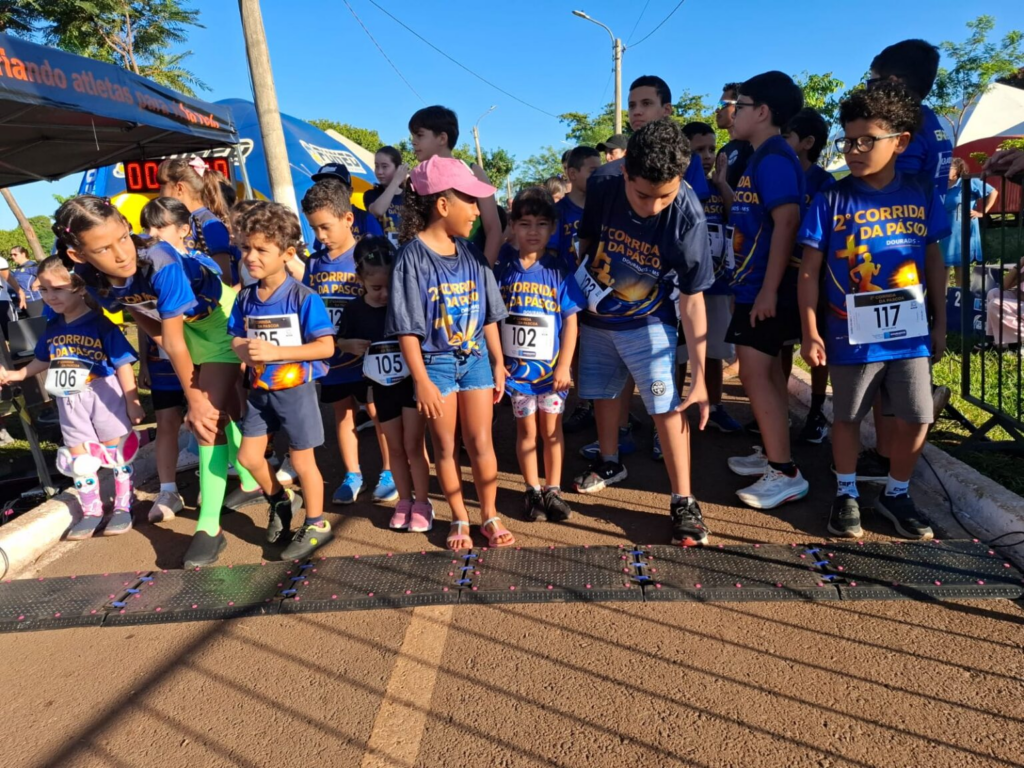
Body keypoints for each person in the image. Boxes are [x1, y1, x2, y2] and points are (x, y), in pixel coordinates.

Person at [55, 195, 250, 568]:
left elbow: (174, 341)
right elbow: (139, 314)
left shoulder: (160, 259)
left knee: (205, 417)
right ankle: (252, 479)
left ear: (127, 227)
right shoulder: (91, 279)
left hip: (219, 321)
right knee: (216, 412)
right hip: (183, 331)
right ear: (79, 255)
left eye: (122, 238)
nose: (121, 255)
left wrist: (195, 398)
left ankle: (209, 526)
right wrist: (187, 378)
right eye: (103, 249)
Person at [798, 82, 949, 540]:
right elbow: (809, 271)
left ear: (900, 142)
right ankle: (845, 492)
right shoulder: (832, 198)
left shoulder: (922, 193)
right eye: (848, 141)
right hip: (850, 333)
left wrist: (941, 323)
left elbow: (934, 260)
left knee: (918, 416)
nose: (854, 151)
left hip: (911, 333)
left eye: (867, 141)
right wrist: (810, 329)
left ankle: (897, 493)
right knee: (846, 416)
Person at [572, 119, 714, 546]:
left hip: (651, 317)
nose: (653, 207)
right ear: (624, 173)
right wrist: (583, 297)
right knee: (603, 392)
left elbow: (693, 299)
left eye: (665, 196)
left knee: (665, 405)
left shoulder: (689, 216)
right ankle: (609, 460)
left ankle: (684, 500)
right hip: (600, 310)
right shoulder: (602, 184)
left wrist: (700, 375)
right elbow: (587, 240)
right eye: (642, 195)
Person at [385, 155, 514, 550]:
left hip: (476, 361)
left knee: (481, 441)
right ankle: (459, 517)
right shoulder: (411, 257)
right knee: (445, 446)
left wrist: (498, 361)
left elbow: (489, 314)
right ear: (443, 204)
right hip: (435, 366)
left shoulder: (472, 255)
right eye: (470, 201)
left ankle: (489, 514)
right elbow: (407, 328)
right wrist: (421, 381)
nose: (476, 211)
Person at [0, 256, 143, 539]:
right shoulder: (52, 327)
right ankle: (91, 510)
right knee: (80, 459)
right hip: (68, 400)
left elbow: (123, 363)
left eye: (58, 289)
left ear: (79, 288)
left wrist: (132, 401)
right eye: (44, 290)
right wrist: (17, 374)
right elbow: (43, 359)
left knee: (116, 454)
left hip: (104, 395)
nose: (49, 296)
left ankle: (123, 505)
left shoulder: (100, 324)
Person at [229, 202, 336, 560]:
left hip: (296, 390)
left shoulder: (303, 297)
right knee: (248, 457)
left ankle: (317, 523)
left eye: (261, 250)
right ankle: (279, 498)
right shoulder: (246, 297)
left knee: (303, 462)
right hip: (260, 391)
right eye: (246, 248)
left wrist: (277, 353)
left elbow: (326, 346)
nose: (250, 257)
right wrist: (244, 350)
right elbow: (236, 336)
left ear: (288, 254)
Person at [723, 71, 809, 510]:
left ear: (762, 112)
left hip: (763, 287)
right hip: (753, 285)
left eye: (739, 105)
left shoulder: (774, 158)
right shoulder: (760, 156)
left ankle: (785, 472)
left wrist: (769, 291)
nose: (731, 113)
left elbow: (787, 221)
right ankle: (775, 453)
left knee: (754, 373)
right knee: (768, 371)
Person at [301, 179, 393, 504]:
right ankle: (353, 474)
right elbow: (310, 309)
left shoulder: (370, 254)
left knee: (379, 411)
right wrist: (338, 344)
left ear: (348, 219)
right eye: (314, 228)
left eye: (325, 227)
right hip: (335, 357)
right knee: (343, 414)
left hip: (371, 356)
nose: (320, 236)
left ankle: (390, 470)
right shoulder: (313, 263)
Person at [496, 187, 585, 522]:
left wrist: (565, 365)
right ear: (513, 227)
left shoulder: (559, 271)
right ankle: (532, 489)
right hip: (518, 375)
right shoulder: (503, 268)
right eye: (525, 224)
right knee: (526, 432)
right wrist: (497, 361)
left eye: (541, 224)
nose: (533, 231)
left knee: (551, 431)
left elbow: (571, 322)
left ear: (553, 228)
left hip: (551, 374)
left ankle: (553, 489)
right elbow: (494, 319)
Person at [137, 196, 222, 523]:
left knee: (209, 418)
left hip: (203, 357)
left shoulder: (203, 265)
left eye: (160, 227)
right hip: (161, 361)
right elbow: (142, 316)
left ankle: (213, 482)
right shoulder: (142, 268)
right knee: (166, 421)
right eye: (147, 228)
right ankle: (168, 491)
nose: (152, 234)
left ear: (184, 229)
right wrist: (145, 362)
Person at [340, 236, 433, 533]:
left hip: (410, 386)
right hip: (381, 389)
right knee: (394, 448)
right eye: (376, 288)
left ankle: (423, 502)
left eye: (390, 287)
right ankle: (404, 501)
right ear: (360, 280)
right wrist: (347, 344)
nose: (384, 294)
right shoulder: (354, 310)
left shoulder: (407, 305)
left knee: (413, 445)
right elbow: (339, 339)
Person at [678, 121, 743, 433]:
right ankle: (673, 411)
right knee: (679, 353)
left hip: (717, 283)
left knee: (714, 349)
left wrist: (722, 183)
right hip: (685, 286)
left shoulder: (719, 187)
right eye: (698, 150)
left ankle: (715, 406)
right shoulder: (679, 187)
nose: (706, 156)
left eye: (711, 149)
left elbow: (737, 217)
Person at [782, 108, 838, 445]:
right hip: (781, 274)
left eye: (786, 136)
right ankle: (778, 410)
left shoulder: (824, 184)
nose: (781, 142)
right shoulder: (780, 176)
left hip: (814, 277)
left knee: (817, 344)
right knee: (782, 346)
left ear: (807, 142)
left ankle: (817, 411)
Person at [408, 105, 502, 265]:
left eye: (419, 135)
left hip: (471, 266)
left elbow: (493, 229)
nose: (413, 142)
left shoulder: (472, 171)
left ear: (442, 138)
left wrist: (485, 271)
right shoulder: (417, 178)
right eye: (413, 136)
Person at [869, 39, 953, 203]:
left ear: (893, 82)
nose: (868, 92)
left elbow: (891, 195)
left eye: (872, 82)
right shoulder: (930, 122)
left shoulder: (904, 128)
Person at [157, 156, 240, 284]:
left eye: (162, 187)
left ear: (179, 188)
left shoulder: (210, 224)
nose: (159, 194)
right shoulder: (181, 219)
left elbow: (224, 277)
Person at [942, 157, 997, 287]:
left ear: (958, 169)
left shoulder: (969, 182)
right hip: (944, 230)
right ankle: (943, 298)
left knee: (960, 265)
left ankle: (960, 296)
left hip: (961, 230)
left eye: (949, 168)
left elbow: (993, 192)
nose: (945, 170)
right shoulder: (940, 185)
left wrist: (982, 212)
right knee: (942, 266)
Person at [554, 146, 601, 271]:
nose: (599, 176)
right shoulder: (557, 212)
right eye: (593, 171)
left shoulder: (605, 209)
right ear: (573, 174)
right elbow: (550, 255)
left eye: (600, 171)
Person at [311, 163, 384, 241]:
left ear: (349, 191)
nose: (327, 192)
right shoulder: (321, 220)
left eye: (335, 187)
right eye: (321, 187)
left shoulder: (365, 219)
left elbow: (380, 246)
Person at [365, 146, 408, 247]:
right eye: (376, 166)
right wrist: (396, 181)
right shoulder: (371, 194)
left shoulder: (409, 196)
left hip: (406, 251)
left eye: (384, 166)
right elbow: (378, 211)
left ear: (398, 168)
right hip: (381, 251)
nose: (379, 172)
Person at [716, 82, 754, 189]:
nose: (717, 110)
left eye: (723, 104)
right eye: (718, 105)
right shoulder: (722, 152)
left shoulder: (753, 145)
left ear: (740, 105)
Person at [0, 249, 27, 338]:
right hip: (2, 300)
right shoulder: (1, 261)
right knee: (12, 334)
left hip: (2, 300)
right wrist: (21, 292)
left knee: (10, 334)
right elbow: (8, 277)